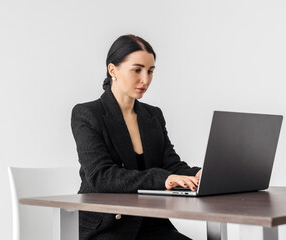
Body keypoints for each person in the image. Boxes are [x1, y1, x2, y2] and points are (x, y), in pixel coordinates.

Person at [71, 34, 201, 240]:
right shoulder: (87, 114)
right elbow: (101, 176)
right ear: (113, 70)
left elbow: (171, 165)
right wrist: (163, 179)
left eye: (150, 71)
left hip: (150, 223)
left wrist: (199, 175)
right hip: (107, 227)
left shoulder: (153, 115)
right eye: (137, 70)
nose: (145, 79)